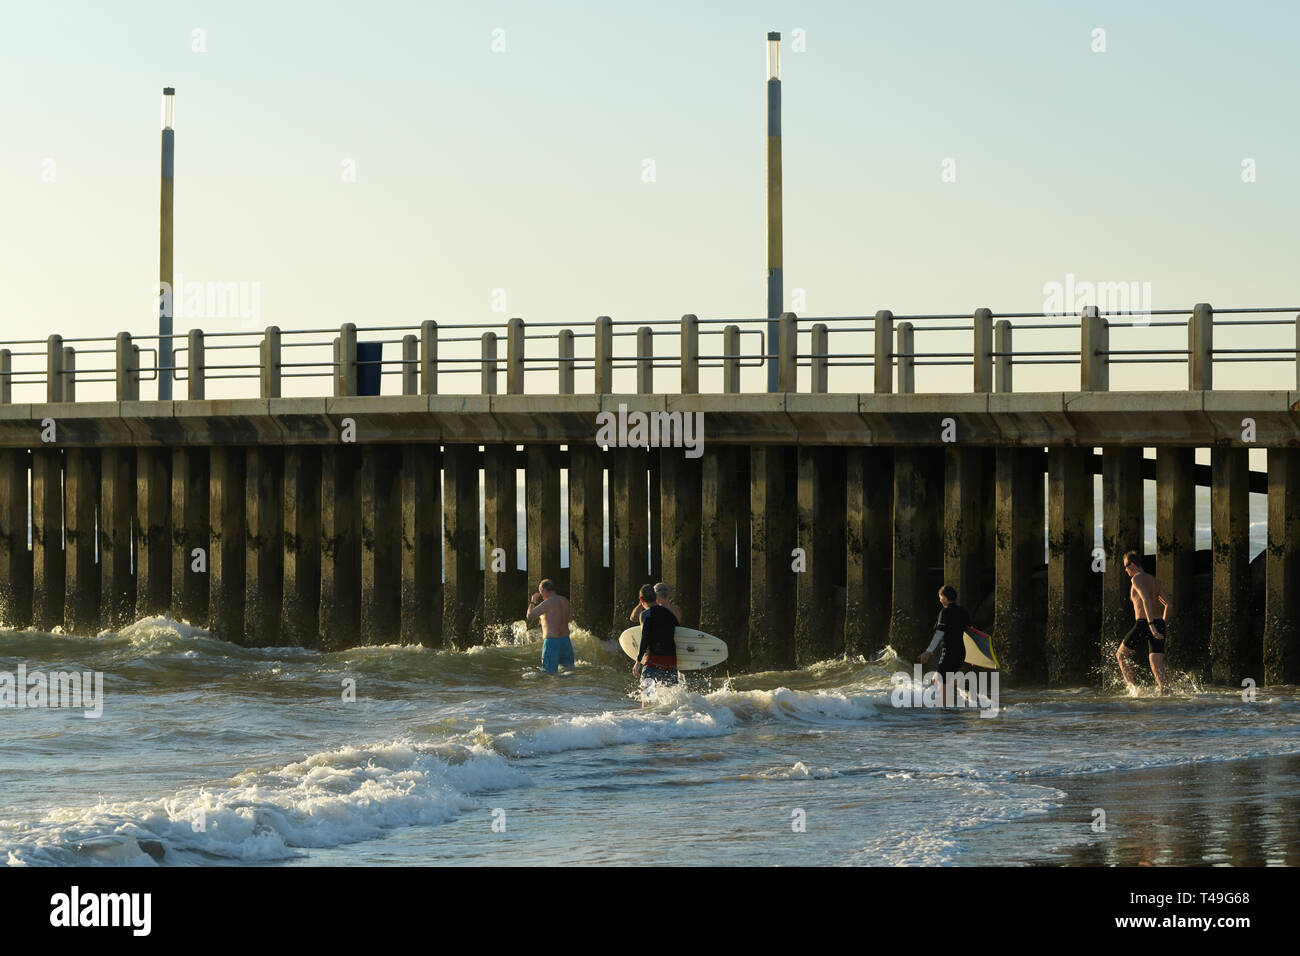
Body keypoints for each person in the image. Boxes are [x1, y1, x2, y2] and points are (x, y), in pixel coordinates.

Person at [1116, 551, 1172, 694]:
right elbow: (1169, 605)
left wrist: (1151, 625)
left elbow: (1146, 599)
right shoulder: (1154, 580)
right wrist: (1161, 625)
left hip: (1144, 624)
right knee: (1157, 666)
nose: (1125, 570)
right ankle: (1167, 696)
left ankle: (1133, 692)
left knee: (1121, 655)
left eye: (1126, 566)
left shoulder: (1136, 579)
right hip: (1158, 623)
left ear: (1133, 565)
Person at [919, 585, 970, 706]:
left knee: (941, 682)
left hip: (949, 652)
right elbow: (970, 631)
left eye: (940, 597)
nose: (940, 600)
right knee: (935, 680)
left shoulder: (945, 611)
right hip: (961, 652)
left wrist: (928, 651)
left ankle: (944, 716)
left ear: (945, 598)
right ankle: (961, 684)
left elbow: (939, 633)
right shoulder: (962, 611)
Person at [632, 583, 678, 704]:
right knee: (671, 701)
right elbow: (678, 634)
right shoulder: (670, 614)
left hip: (653, 661)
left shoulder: (645, 615)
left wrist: (638, 661)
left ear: (641, 600)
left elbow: (645, 637)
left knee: (646, 699)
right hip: (671, 662)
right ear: (655, 598)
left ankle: (648, 721)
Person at [526, 579, 574, 674]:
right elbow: (569, 619)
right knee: (569, 673)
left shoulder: (548, 603)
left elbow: (530, 615)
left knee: (548, 674)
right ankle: (568, 689)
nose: (541, 596)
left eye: (540, 592)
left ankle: (551, 689)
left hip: (552, 642)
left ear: (543, 590)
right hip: (566, 641)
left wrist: (533, 601)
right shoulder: (565, 601)